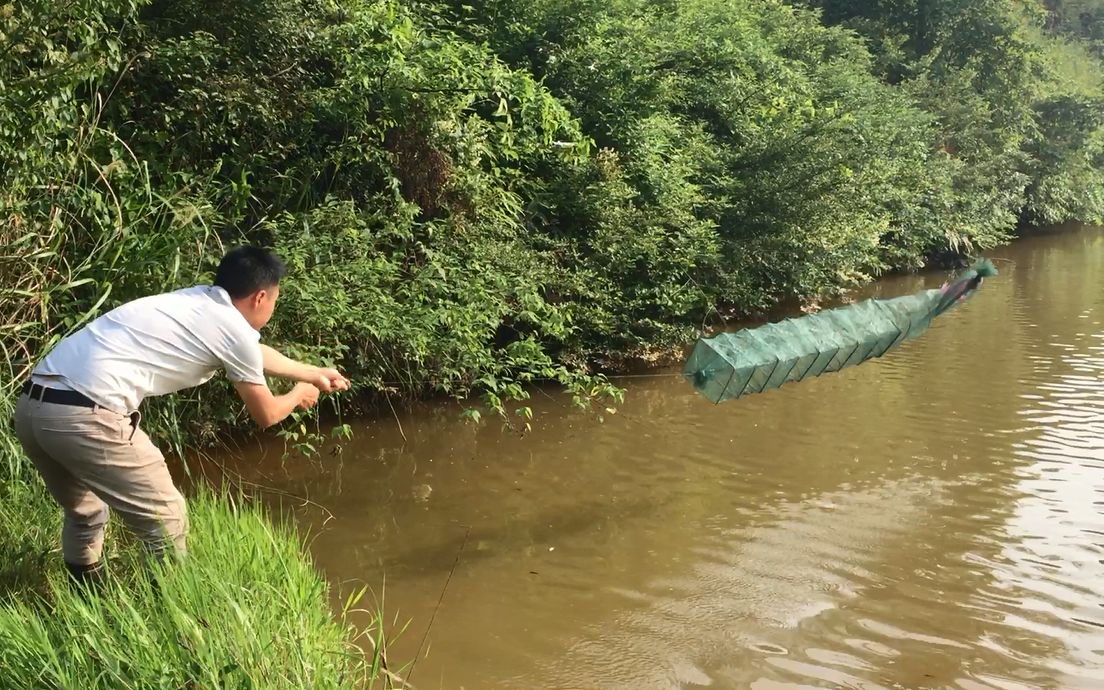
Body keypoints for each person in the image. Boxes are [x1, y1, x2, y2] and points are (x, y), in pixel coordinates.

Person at [13, 246, 349, 586]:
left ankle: (86, 601)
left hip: (34, 408)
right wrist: (298, 395)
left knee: (86, 511)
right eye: (275, 300)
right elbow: (266, 414)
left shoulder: (198, 303)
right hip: (88, 414)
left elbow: (252, 351)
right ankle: (168, 617)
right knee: (166, 518)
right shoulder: (231, 329)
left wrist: (310, 372)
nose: (273, 308)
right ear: (260, 297)